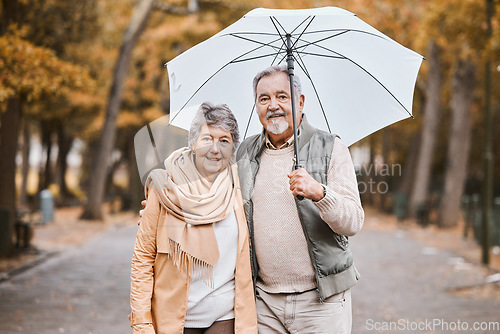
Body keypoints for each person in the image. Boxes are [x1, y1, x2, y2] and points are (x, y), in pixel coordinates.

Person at [236, 64, 364, 333]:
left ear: (300, 101)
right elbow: (218, 201)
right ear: (256, 105)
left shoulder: (331, 147)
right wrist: (163, 208)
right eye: (264, 98)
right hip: (264, 303)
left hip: (322, 302)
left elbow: (353, 221)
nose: (273, 105)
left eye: (282, 96)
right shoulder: (244, 154)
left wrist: (321, 194)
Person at [129, 102, 258, 334]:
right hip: (175, 319)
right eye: (207, 139)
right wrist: (141, 322)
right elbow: (142, 259)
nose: (215, 149)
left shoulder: (241, 185)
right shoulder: (164, 188)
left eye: (224, 141)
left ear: (233, 148)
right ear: (193, 142)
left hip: (226, 316)